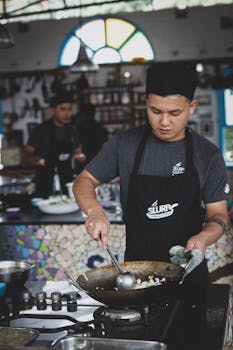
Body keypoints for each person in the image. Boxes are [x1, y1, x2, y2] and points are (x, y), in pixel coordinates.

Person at [72, 62, 229, 285]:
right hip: (136, 275)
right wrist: (94, 211)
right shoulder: (124, 145)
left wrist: (204, 237)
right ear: (146, 102)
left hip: (189, 275)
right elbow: (84, 180)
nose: (164, 122)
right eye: (155, 111)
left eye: (174, 112)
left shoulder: (208, 154)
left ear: (192, 106)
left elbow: (219, 215)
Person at [24, 92, 86, 198]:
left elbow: (79, 153)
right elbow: (26, 155)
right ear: (53, 110)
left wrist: (81, 157)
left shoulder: (72, 130)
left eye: (70, 109)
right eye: (63, 109)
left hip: (67, 181)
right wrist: (34, 159)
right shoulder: (41, 130)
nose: (67, 114)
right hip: (44, 182)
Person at [74, 103, 108, 167]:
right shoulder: (100, 128)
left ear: (83, 114)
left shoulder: (81, 128)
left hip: (85, 164)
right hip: (99, 164)